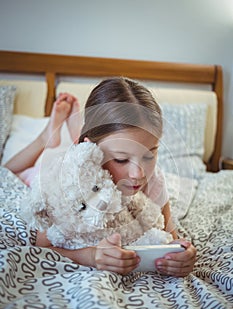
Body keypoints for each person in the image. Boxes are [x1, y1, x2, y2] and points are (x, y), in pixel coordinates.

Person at [4, 77, 196, 276]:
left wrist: (182, 255)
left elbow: (171, 236)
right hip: (56, 167)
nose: (138, 174)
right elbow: (42, 248)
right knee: (12, 172)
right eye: (121, 159)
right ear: (90, 149)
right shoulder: (66, 179)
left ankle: (76, 132)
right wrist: (89, 256)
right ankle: (47, 136)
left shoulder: (153, 180)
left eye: (149, 155)